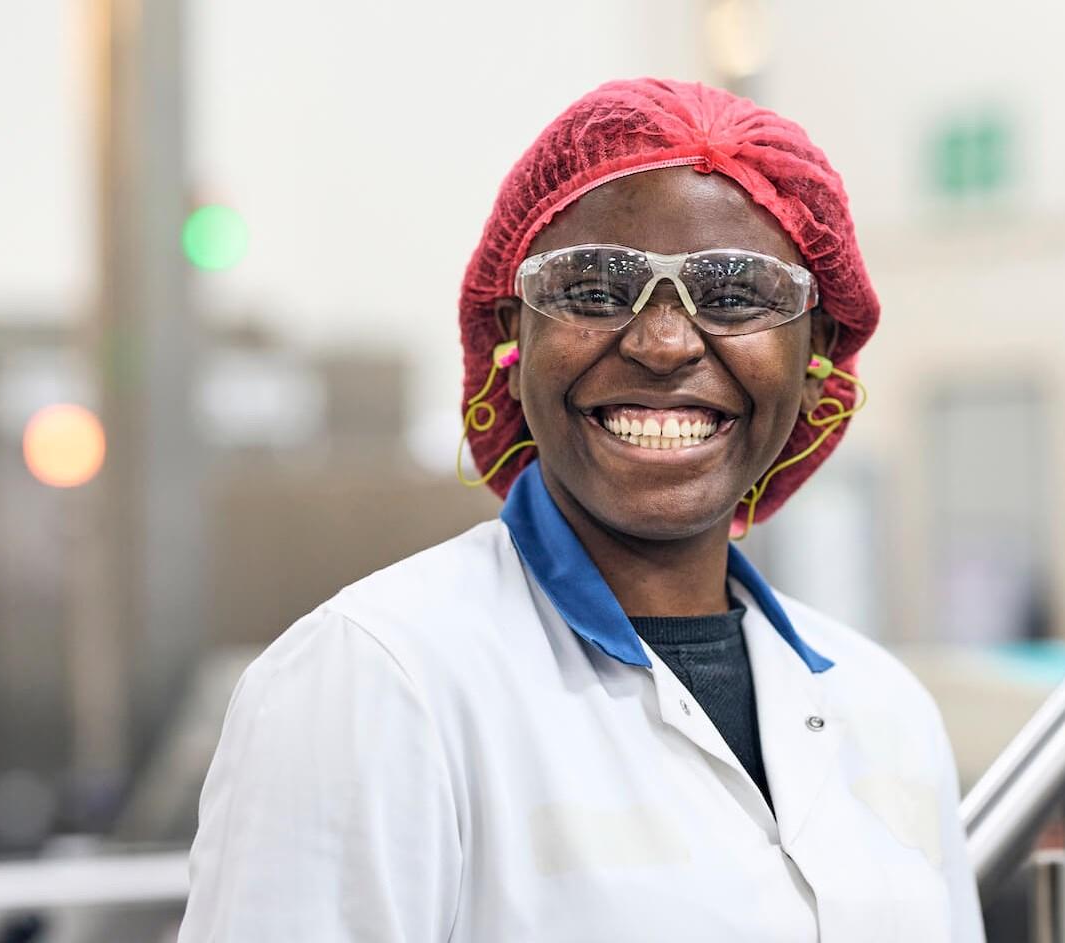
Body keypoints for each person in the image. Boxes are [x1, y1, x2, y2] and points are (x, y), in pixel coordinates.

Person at [179, 78, 986, 943]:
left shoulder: (886, 712)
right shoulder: (378, 682)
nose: (665, 342)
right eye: (596, 290)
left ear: (816, 349)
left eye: (734, 293)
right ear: (509, 333)